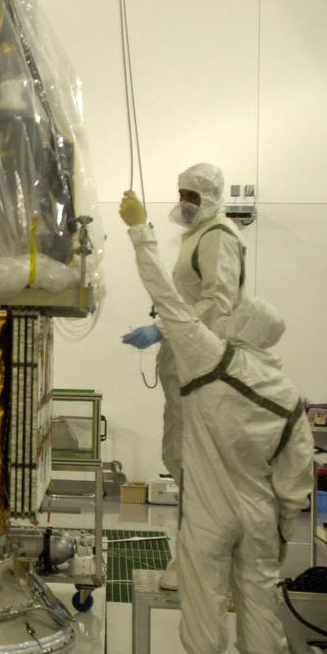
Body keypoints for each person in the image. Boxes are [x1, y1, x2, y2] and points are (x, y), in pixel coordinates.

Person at [119, 190, 313, 654]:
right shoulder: (290, 397)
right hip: (258, 518)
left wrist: (140, 232)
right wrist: (277, 530)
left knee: (206, 645)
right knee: (264, 641)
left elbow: (170, 298)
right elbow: (297, 481)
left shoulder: (210, 359)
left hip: (206, 518)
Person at [122, 162, 246, 588]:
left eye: (192, 196)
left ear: (211, 198)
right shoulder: (197, 237)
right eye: (182, 194)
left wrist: (164, 327)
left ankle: (198, 565)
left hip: (203, 368)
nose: (184, 203)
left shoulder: (218, 237)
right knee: (182, 461)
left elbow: (218, 300)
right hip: (187, 362)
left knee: (196, 465)